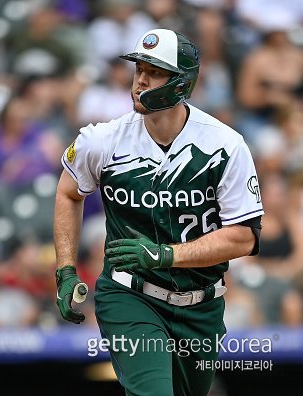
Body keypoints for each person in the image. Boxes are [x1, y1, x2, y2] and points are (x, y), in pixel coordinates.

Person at [53, 29, 264, 395]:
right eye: (138, 69)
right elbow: (68, 192)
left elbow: (244, 236)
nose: (140, 81)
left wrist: (166, 255)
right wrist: (66, 269)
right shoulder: (101, 140)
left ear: (181, 83)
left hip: (202, 304)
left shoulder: (225, 146)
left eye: (154, 71)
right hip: (130, 294)